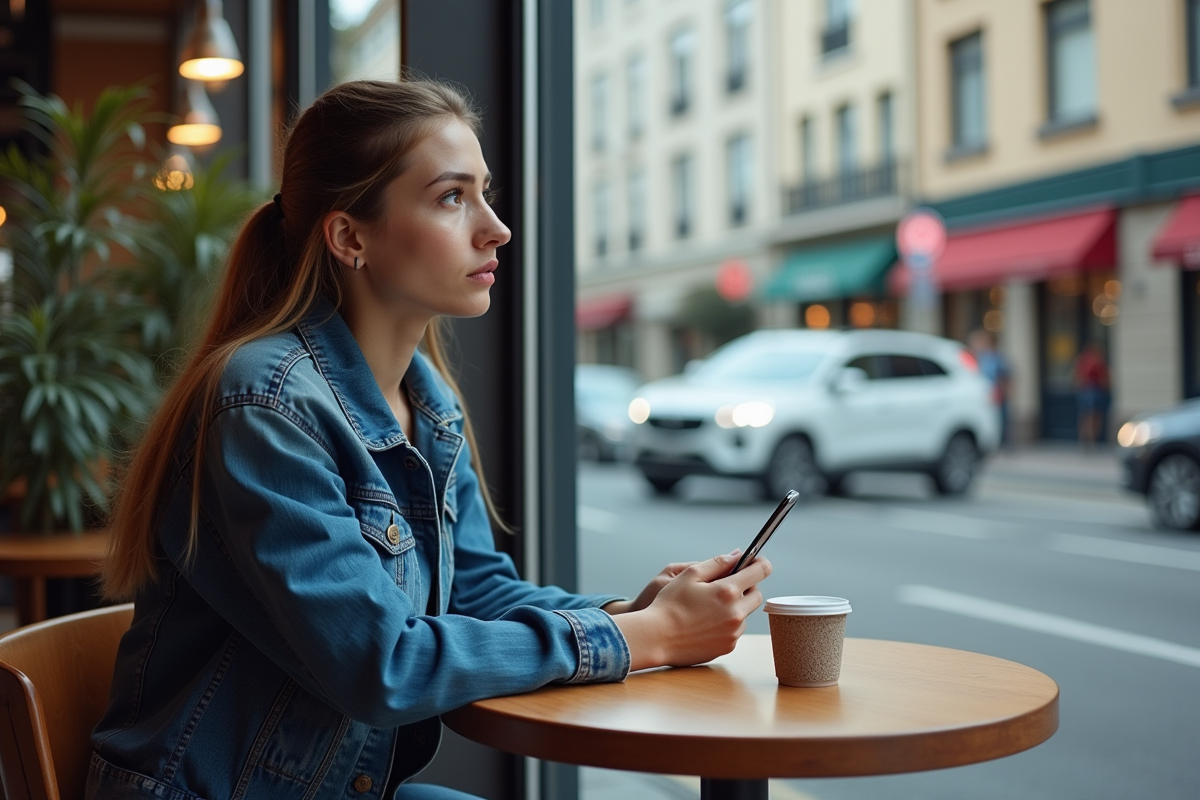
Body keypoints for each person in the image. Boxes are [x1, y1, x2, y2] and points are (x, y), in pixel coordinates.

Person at [90, 80, 770, 800]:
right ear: (350, 236)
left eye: (485, 192)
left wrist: (628, 614)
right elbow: (382, 665)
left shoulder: (425, 398)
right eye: (453, 197)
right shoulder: (266, 405)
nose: (496, 228)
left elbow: (476, 589)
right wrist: (646, 641)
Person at [968, 329, 1012, 447]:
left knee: (1001, 419)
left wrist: (1003, 392)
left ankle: (1004, 443)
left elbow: (1005, 375)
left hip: (996, 394)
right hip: (983, 394)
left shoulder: (997, 357)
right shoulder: (978, 357)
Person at [1074, 341, 1110, 449]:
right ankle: (1090, 440)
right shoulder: (1094, 360)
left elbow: (1076, 376)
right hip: (1092, 390)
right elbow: (1104, 377)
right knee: (1091, 416)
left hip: (1089, 390)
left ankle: (1087, 440)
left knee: (1088, 416)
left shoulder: (1084, 360)